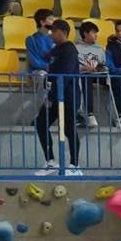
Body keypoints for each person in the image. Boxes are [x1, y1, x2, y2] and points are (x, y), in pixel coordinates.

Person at [35, 19, 83, 174]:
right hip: (54, 96)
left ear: (63, 32)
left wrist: (53, 94)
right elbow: (47, 63)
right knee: (41, 123)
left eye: (54, 31)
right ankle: (50, 162)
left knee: (69, 129)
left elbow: (66, 75)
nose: (51, 34)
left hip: (68, 96)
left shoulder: (69, 50)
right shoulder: (56, 50)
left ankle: (75, 166)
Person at [74, 21, 106, 127]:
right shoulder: (75, 48)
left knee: (117, 80)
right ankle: (89, 114)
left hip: (99, 74)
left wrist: (101, 68)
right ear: (85, 33)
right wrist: (84, 67)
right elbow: (72, 65)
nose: (96, 35)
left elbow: (105, 65)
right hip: (84, 74)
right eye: (93, 32)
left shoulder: (100, 49)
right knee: (86, 78)